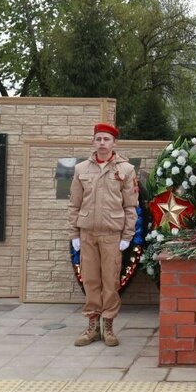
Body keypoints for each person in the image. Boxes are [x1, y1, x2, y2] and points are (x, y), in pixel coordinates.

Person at [68, 122, 138, 347]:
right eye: (98, 139)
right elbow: (74, 204)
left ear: (114, 143)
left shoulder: (126, 170)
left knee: (110, 281)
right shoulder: (81, 169)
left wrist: (127, 235)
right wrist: (74, 234)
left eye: (106, 139)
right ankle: (92, 327)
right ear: (93, 141)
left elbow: (130, 206)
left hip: (111, 234)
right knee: (90, 281)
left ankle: (108, 326)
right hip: (87, 233)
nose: (102, 143)